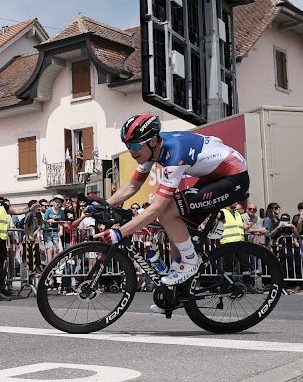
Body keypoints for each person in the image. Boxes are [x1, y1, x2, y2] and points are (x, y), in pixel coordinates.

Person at [94, 114, 249, 313]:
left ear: (151, 141)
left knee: (167, 212)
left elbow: (158, 207)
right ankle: (175, 294)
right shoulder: (152, 150)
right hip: (213, 177)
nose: (131, 152)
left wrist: (120, 232)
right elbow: (133, 185)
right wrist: (103, 205)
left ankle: (190, 261)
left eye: (134, 146)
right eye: (127, 146)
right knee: (174, 225)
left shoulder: (174, 153)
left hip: (233, 178)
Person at [44, 194, 66, 265]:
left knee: (56, 249)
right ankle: (49, 265)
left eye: (59, 202)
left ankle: (55, 265)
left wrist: (61, 230)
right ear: (53, 202)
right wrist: (49, 220)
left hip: (56, 232)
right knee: (50, 249)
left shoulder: (61, 212)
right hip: (48, 232)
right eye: (55, 201)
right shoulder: (49, 210)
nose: (57, 203)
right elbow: (44, 220)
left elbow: (62, 222)